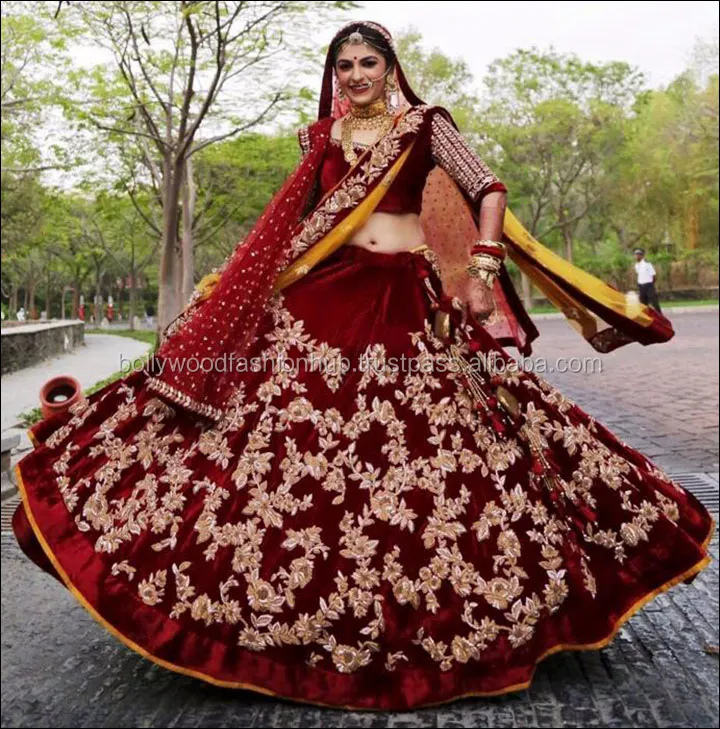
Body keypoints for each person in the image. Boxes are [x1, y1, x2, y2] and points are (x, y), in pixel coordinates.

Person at [12, 21, 713, 711]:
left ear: (389, 67)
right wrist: (231, 288)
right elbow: (300, 227)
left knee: (452, 444)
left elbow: (488, 189)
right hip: (323, 300)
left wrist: (483, 265)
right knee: (275, 445)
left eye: (366, 62)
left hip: (402, 303)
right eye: (343, 65)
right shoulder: (324, 139)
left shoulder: (425, 126)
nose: (354, 75)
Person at [634, 247, 663, 313]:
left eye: (638, 254)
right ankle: (646, 316)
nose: (636, 256)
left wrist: (650, 284)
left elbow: (654, 276)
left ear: (642, 255)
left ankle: (660, 315)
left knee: (654, 301)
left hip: (649, 285)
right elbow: (639, 275)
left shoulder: (647, 264)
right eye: (635, 254)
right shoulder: (636, 265)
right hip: (641, 286)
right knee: (643, 303)